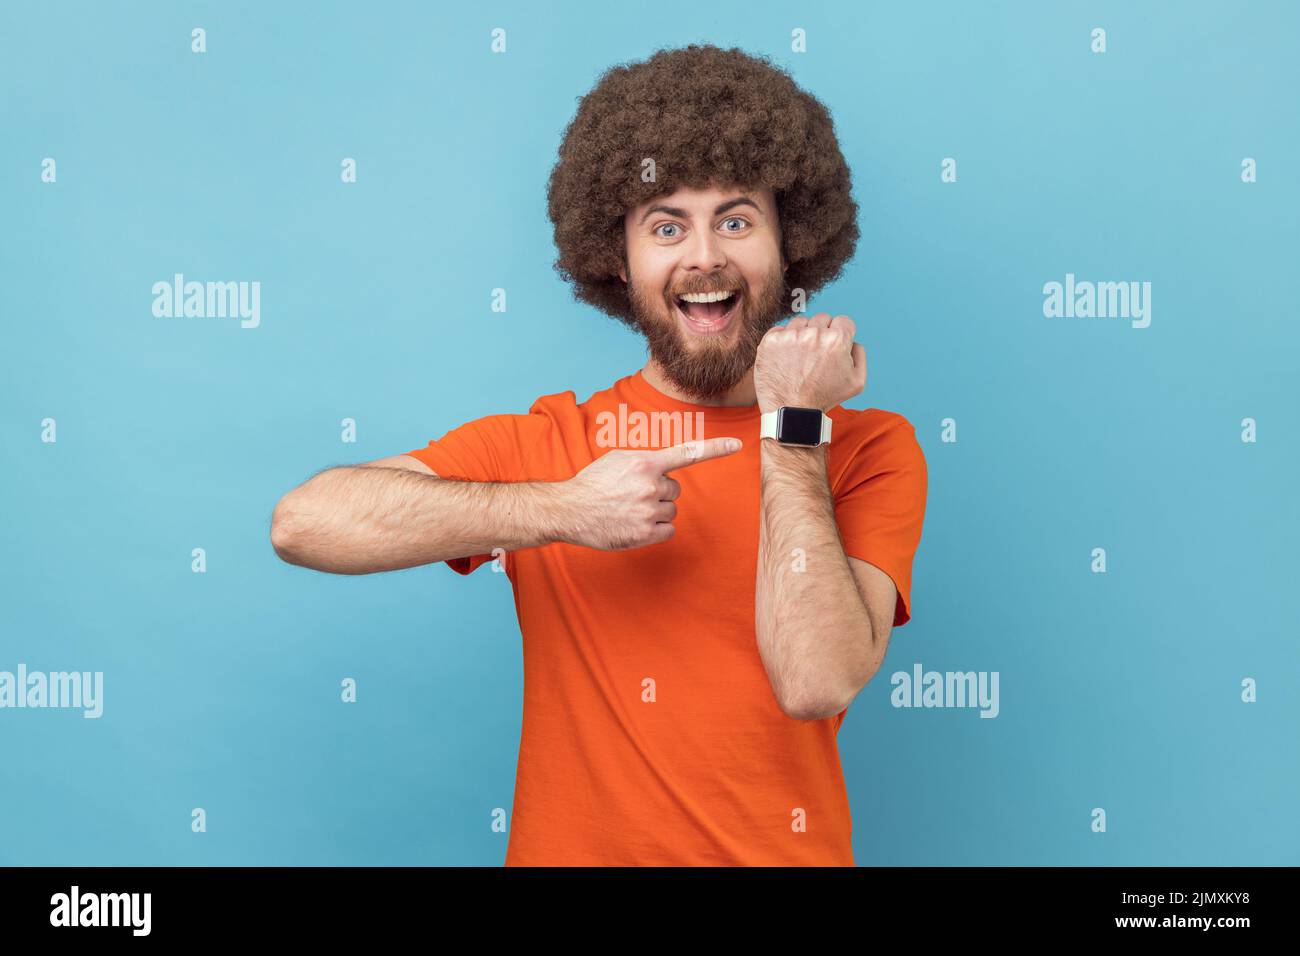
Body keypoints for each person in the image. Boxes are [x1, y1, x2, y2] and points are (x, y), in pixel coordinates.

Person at [271, 44, 927, 866]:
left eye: (735, 219)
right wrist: (562, 508)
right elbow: (303, 524)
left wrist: (793, 425)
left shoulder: (867, 447)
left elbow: (816, 682)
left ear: (789, 243)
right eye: (665, 226)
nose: (704, 257)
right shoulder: (551, 446)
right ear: (617, 260)